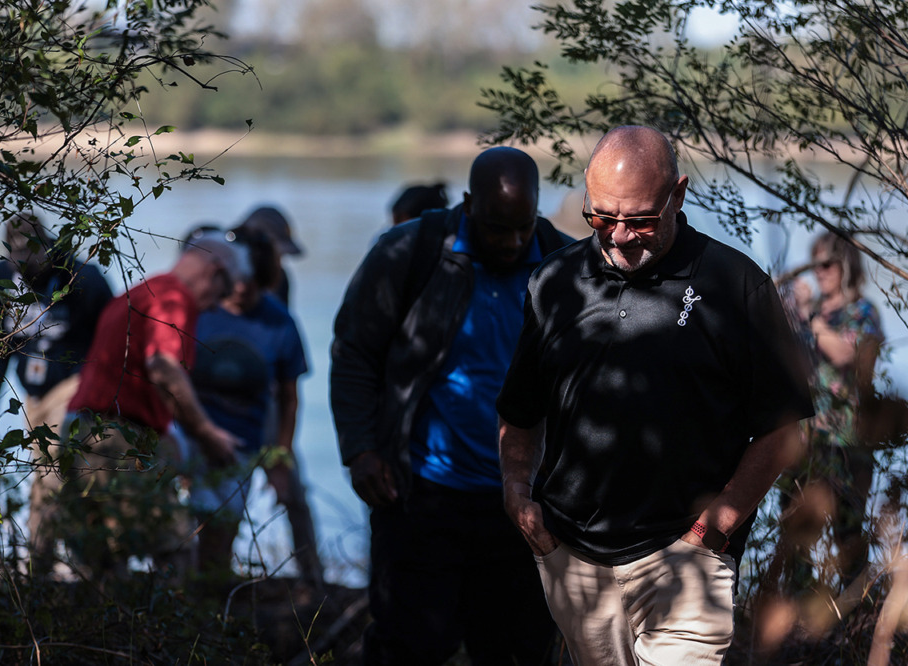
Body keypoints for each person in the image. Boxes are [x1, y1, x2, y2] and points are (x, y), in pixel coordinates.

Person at [496, 126, 814, 666]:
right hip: (573, 558)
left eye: (640, 219)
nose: (619, 236)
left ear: (678, 195)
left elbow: (785, 429)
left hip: (686, 559)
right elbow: (520, 408)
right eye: (602, 217)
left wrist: (714, 528)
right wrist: (517, 493)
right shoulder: (553, 280)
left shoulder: (733, 285)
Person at [330, 146, 569, 666]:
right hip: (421, 497)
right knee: (407, 647)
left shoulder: (567, 267)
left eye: (521, 228)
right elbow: (354, 352)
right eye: (495, 227)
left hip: (524, 507)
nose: (510, 243)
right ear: (468, 204)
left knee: (517, 651)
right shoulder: (408, 254)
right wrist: (360, 449)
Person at [57, 232, 247, 578]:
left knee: (102, 556)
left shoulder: (143, 291)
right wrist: (205, 432)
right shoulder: (174, 297)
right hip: (112, 438)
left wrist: (167, 433)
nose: (214, 305)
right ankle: (178, 629)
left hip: (82, 430)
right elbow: (163, 367)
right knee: (176, 548)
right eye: (220, 293)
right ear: (214, 271)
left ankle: (103, 628)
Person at [0, 212, 113, 574]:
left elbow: (111, 340)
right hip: (32, 395)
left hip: (74, 388)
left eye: (32, 256)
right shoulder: (3, 278)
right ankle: (56, 568)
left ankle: (48, 566)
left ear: (48, 246)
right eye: (17, 258)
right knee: (54, 477)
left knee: (52, 472)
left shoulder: (83, 279)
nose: (26, 266)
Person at [183, 225, 323, 588]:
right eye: (239, 280)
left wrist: (279, 457)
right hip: (190, 438)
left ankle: (211, 611)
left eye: (254, 283)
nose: (243, 289)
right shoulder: (199, 308)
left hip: (241, 444)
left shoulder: (279, 322)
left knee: (220, 538)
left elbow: (290, 399)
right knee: (176, 537)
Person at [776, 231, 884, 593]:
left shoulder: (862, 312)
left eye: (826, 264)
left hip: (847, 442)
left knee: (848, 534)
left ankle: (858, 623)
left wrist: (810, 317)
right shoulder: (809, 314)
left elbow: (847, 356)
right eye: (814, 264)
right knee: (796, 533)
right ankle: (799, 624)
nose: (819, 272)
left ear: (845, 266)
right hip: (804, 442)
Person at [236, 205, 303, 307]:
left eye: (281, 255)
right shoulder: (224, 279)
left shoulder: (280, 279)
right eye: (274, 256)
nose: (279, 262)